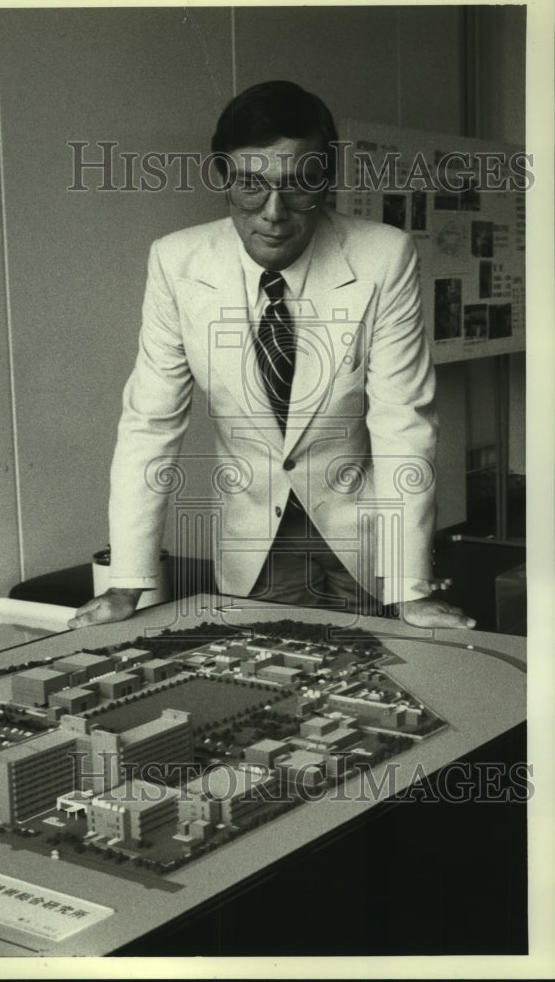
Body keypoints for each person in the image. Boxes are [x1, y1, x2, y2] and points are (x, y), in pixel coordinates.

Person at [70, 80, 474, 631]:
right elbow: (149, 424)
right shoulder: (177, 261)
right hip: (253, 541)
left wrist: (410, 588)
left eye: (297, 186)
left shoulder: (384, 256)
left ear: (326, 180)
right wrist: (127, 582)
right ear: (222, 179)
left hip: (365, 537)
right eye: (250, 186)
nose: (273, 213)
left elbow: (403, 421)